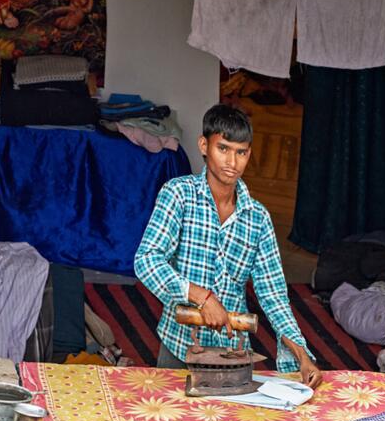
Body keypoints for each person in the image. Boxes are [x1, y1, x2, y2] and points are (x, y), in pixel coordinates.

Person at [135, 104, 322, 388]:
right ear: (204, 146)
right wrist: (202, 297)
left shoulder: (257, 218)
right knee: (170, 416)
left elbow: (273, 296)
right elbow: (147, 260)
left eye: (241, 152)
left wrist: (302, 355)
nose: (232, 162)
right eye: (223, 148)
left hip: (234, 355)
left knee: (233, 418)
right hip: (179, 347)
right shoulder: (178, 195)